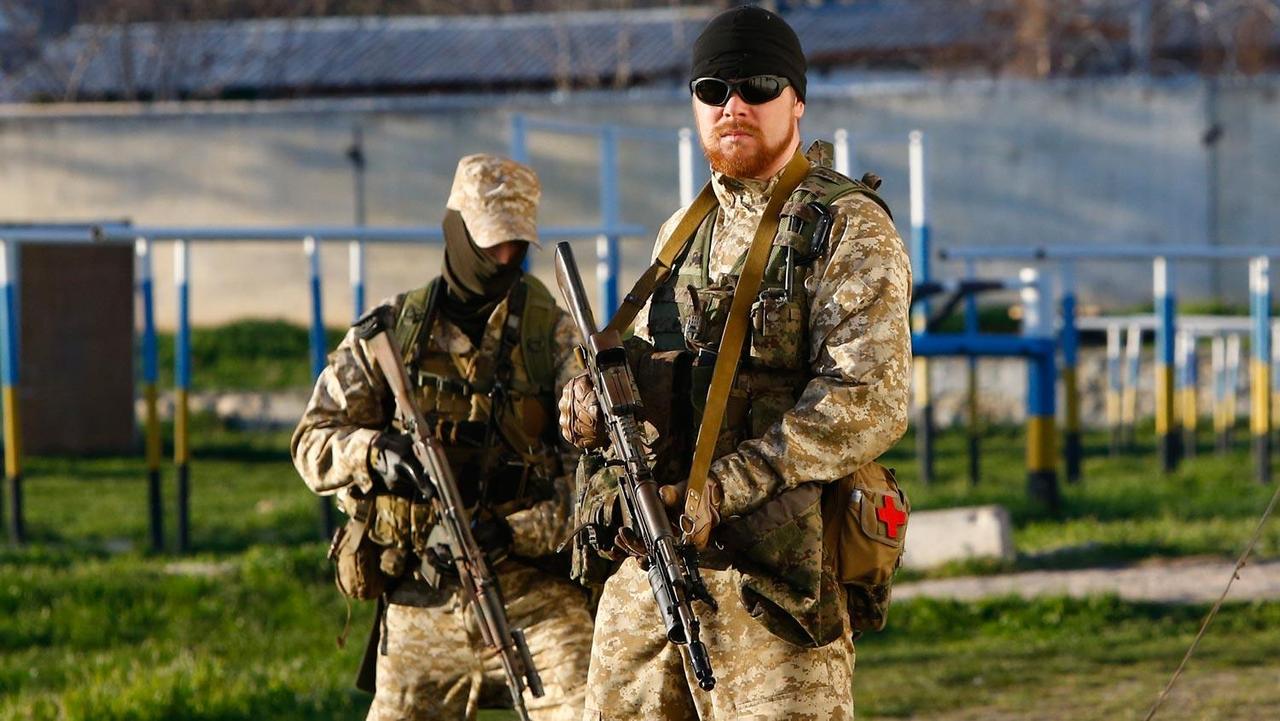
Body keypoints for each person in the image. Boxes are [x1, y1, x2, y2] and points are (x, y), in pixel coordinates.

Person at [558, 6, 913, 720]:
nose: (734, 105)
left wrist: (719, 490)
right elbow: (638, 371)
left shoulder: (846, 227)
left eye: (758, 86)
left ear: (797, 101)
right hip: (648, 581)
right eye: (713, 89)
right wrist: (585, 403)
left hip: (774, 591)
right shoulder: (682, 231)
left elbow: (867, 401)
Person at [293, 154, 592, 721]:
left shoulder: (553, 335)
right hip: (421, 596)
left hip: (532, 596)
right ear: (456, 233)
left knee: (592, 707)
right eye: (489, 244)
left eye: (515, 245)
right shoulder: (391, 332)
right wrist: (375, 453)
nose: (503, 259)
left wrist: (517, 531)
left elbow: (600, 479)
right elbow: (312, 443)